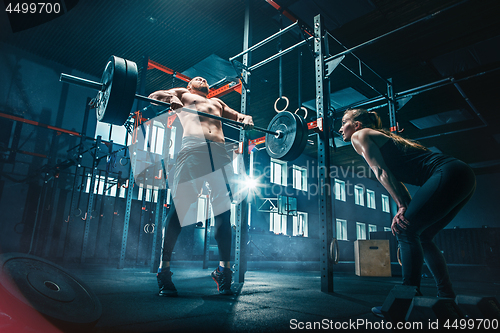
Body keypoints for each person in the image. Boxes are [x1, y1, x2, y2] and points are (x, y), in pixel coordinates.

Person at [338, 108, 476, 306]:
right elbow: (394, 180)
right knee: (423, 235)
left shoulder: (359, 136)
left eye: (344, 122)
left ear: (357, 125)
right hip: (462, 176)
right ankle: (446, 297)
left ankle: (405, 301)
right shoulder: (378, 135)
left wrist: (402, 207)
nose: (340, 129)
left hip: (448, 173)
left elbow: (381, 172)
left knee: (405, 231)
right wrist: (404, 206)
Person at [148, 77, 254, 296]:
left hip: (219, 155)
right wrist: (172, 99)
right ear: (189, 86)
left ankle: (224, 271)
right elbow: (153, 96)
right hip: (192, 151)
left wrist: (246, 118)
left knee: (224, 214)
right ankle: (163, 270)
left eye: (203, 78)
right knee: (180, 210)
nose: (201, 78)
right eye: (196, 78)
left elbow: (239, 116)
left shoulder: (218, 103)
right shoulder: (183, 94)